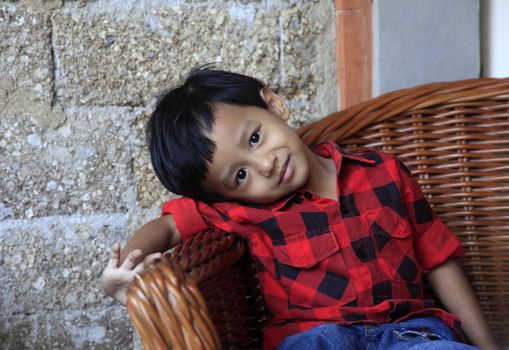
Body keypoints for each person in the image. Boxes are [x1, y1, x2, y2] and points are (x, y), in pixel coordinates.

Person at [101, 67, 500, 350]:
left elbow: (440, 261)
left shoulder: (385, 173)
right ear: (228, 195)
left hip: (411, 334)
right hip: (315, 338)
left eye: (255, 137)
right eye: (240, 176)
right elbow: (169, 227)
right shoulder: (246, 212)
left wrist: (488, 345)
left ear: (273, 104)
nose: (265, 165)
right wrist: (128, 268)